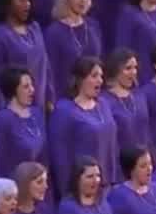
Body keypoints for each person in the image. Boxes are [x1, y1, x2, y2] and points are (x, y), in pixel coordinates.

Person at [49, 57, 119, 200]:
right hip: (80, 190)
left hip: (106, 184)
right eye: (94, 76)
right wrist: (67, 192)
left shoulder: (104, 105)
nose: (100, 80)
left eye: (101, 76)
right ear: (80, 79)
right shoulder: (64, 110)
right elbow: (60, 156)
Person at [43, 0, 103, 103]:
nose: (84, 0)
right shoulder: (54, 32)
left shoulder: (93, 25)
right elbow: (50, 73)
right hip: (66, 99)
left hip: (93, 99)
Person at [0, 68, 48, 178]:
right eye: (26, 87)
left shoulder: (37, 114)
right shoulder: (2, 120)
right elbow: (1, 161)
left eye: (32, 85)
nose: (32, 90)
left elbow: (46, 155)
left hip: (41, 182)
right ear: (13, 90)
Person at [101, 49, 152, 157]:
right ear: (115, 70)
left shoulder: (139, 96)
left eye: (135, 68)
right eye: (128, 68)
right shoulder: (104, 101)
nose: (133, 72)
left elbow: (147, 134)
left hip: (143, 162)